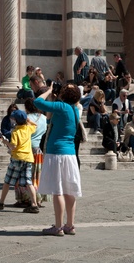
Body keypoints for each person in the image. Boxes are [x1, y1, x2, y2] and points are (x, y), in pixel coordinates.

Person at [34, 83, 82, 236]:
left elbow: (38, 102)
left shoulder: (61, 106)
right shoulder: (75, 110)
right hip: (70, 154)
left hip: (56, 153)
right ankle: (70, 225)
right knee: (70, 191)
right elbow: (52, 123)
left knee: (58, 190)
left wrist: (48, 90)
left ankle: (58, 226)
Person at [0, 110, 40, 214]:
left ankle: (1, 202)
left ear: (16, 120)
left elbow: (13, 147)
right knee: (28, 182)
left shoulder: (15, 132)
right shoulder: (28, 128)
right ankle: (34, 204)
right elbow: (35, 125)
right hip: (28, 158)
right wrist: (28, 120)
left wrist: (5, 142)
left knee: (8, 181)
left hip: (17, 158)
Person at [12, 98, 47, 208]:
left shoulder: (26, 119)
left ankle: (24, 198)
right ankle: (38, 199)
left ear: (27, 107)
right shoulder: (44, 118)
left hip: (26, 150)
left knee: (22, 176)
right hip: (38, 149)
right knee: (37, 176)